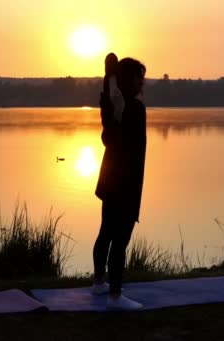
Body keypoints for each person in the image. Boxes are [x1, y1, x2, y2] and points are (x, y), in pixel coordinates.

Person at [92, 54, 147, 310]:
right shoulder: (133, 108)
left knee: (106, 232)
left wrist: (110, 79)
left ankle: (100, 282)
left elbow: (110, 136)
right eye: (139, 77)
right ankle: (115, 295)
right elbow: (129, 145)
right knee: (120, 239)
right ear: (130, 79)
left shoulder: (112, 104)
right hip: (125, 183)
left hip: (110, 179)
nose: (141, 83)